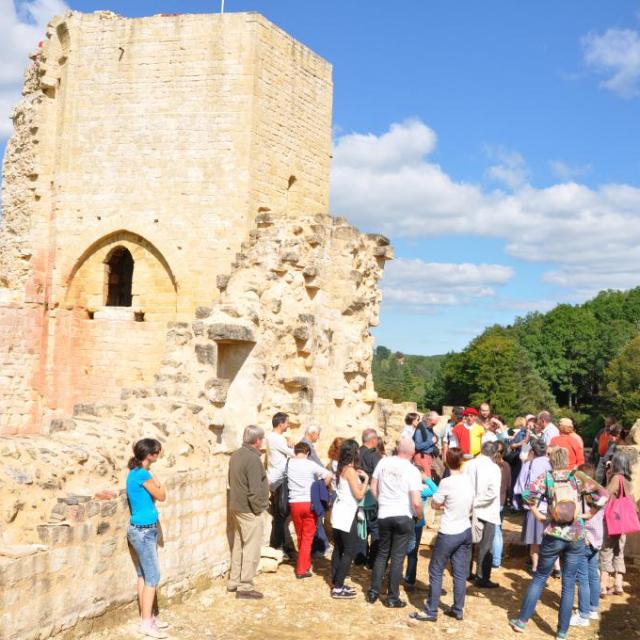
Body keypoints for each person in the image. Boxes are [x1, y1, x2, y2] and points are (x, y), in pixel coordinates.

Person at [509, 446, 609, 640]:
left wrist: (539, 515)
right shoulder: (577, 476)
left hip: (553, 533)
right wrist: (589, 514)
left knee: (539, 577)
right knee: (569, 583)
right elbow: (603, 494)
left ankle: (522, 621)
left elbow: (528, 496)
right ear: (568, 459)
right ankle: (562, 632)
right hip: (576, 534)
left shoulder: (546, 477)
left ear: (551, 460)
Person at [409, 447, 473, 622]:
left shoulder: (447, 482)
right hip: (465, 529)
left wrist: (444, 506)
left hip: (449, 531)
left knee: (436, 570)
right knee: (459, 573)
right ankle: (458, 609)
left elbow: (436, 504)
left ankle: (431, 610)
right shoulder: (468, 480)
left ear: (447, 462)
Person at [366, 438, 423, 608]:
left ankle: (373, 592)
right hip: (403, 515)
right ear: (412, 453)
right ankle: (392, 597)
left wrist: (382, 502)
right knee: (398, 557)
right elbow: (416, 502)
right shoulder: (412, 471)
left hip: (384, 513)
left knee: (382, 554)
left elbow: (373, 487)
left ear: (398, 449)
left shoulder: (383, 462)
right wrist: (419, 516)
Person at [126, 438, 168, 639]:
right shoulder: (142, 473)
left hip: (141, 530)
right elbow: (161, 495)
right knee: (152, 576)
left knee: (143, 575)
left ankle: (147, 616)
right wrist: (154, 476)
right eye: (157, 452)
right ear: (150, 455)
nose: (158, 455)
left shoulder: (136, 472)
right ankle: (145, 623)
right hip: (143, 532)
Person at [228, 425, 270, 599]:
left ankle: (234, 581)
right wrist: (259, 508)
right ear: (258, 440)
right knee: (251, 549)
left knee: (239, 545)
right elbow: (254, 489)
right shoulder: (253, 459)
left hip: (237, 506)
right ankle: (245, 587)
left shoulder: (236, 454)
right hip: (248, 509)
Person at [330, 439, 370, 598]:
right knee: (349, 550)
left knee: (339, 548)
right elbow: (359, 495)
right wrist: (366, 479)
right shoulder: (351, 471)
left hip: (338, 512)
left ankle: (335, 581)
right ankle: (338, 588)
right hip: (346, 514)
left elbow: (352, 490)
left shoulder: (341, 468)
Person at [287, 441, 332, 578]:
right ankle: (301, 569)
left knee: (301, 536)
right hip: (309, 503)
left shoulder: (289, 463)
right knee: (307, 538)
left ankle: (305, 563)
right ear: (307, 453)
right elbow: (328, 475)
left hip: (294, 503)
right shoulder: (310, 464)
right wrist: (320, 486)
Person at [569, 463, 605, 628]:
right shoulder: (600, 495)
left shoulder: (582, 496)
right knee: (593, 575)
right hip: (596, 540)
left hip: (585, 539)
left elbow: (584, 517)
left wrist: (574, 515)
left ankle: (583, 615)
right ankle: (592, 608)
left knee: (581, 577)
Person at [464, 441, 501, 588]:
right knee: (486, 545)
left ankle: (466, 572)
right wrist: (478, 502)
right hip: (487, 510)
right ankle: (482, 577)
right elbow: (492, 493)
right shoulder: (494, 468)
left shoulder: (469, 464)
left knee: (468, 543)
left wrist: (472, 503)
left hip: (470, 508)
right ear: (494, 453)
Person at [600, 450, 636, 596]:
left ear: (616, 463)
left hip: (613, 521)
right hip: (623, 523)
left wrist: (608, 477)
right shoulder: (627, 480)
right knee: (619, 552)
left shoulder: (616, 478)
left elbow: (605, 494)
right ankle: (618, 585)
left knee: (606, 551)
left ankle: (602, 586)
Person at [514, 439, 551, 573]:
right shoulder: (551, 463)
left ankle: (536, 566)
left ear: (533, 451)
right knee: (550, 538)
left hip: (533, 506)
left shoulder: (528, 464)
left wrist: (518, 502)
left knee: (535, 540)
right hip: (550, 506)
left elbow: (521, 485)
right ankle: (554, 567)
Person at [404, 471, 438, 590]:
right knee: (413, 553)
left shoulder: (404, 486)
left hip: (404, 521)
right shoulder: (421, 489)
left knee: (399, 552)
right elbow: (435, 490)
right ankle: (410, 581)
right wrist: (427, 478)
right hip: (417, 523)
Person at [266, 412, 294, 552]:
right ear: (281, 423)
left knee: (279, 514)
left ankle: (279, 544)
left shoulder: (272, 437)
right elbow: (294, 454)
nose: (288, 425)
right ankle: (278, 545)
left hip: (274, 478)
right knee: (281, 514)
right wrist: (292, 445)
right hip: (279, 479)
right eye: (287, 422)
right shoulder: (277, 438)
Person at [355, 428, 382, 567]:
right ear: (373, 440)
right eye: (377, 439)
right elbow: (380, 476)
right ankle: (372, 561)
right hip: (371, 496)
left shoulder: (356, 453)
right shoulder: (374, 456)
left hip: (356, 494)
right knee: (375, 528)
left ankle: (360, 557)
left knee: (361, 526)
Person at [492, 440, 512, 569]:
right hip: (501, 501)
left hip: (490, 502)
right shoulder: (506, 466)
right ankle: (496, 559)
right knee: (497, 530)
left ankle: (494, 559)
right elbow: (509, 485)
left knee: (493, 532)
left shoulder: (489, 466)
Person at [413, 411, 439, 477]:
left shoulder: (429, 428)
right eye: (433, 424)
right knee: (427, 479)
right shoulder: (420, 429)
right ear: (428, 419)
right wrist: (431, 441)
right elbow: (418, 446)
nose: (434, 425)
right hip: (421, 456)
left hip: (428, 456)